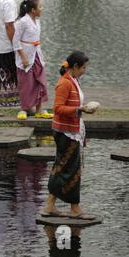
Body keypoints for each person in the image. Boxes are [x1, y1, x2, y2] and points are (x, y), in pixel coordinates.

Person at [41, 51, 97, 220]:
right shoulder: (64, 83)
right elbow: (57, 109)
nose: (85, 70)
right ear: (75, 66)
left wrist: (81, 108)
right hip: (66, 133)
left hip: (70, 131)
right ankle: (75, 208)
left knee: (63, 168)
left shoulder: (73, 81)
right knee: (70, 170)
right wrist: (80, 109)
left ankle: (50, 205)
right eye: (83, 67)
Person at [13, 0, 53, 120]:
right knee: (26, 83)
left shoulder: (37, 21)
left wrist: (41, 54)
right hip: (26, 55)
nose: (42, 9)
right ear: (33, 10)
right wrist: (23, 56)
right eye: (40, 7)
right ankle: (24, 109)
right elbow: (15, 40)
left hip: (36, 55)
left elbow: (36, 40)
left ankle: (39, 110)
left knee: (39, 82)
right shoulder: (22, 22)